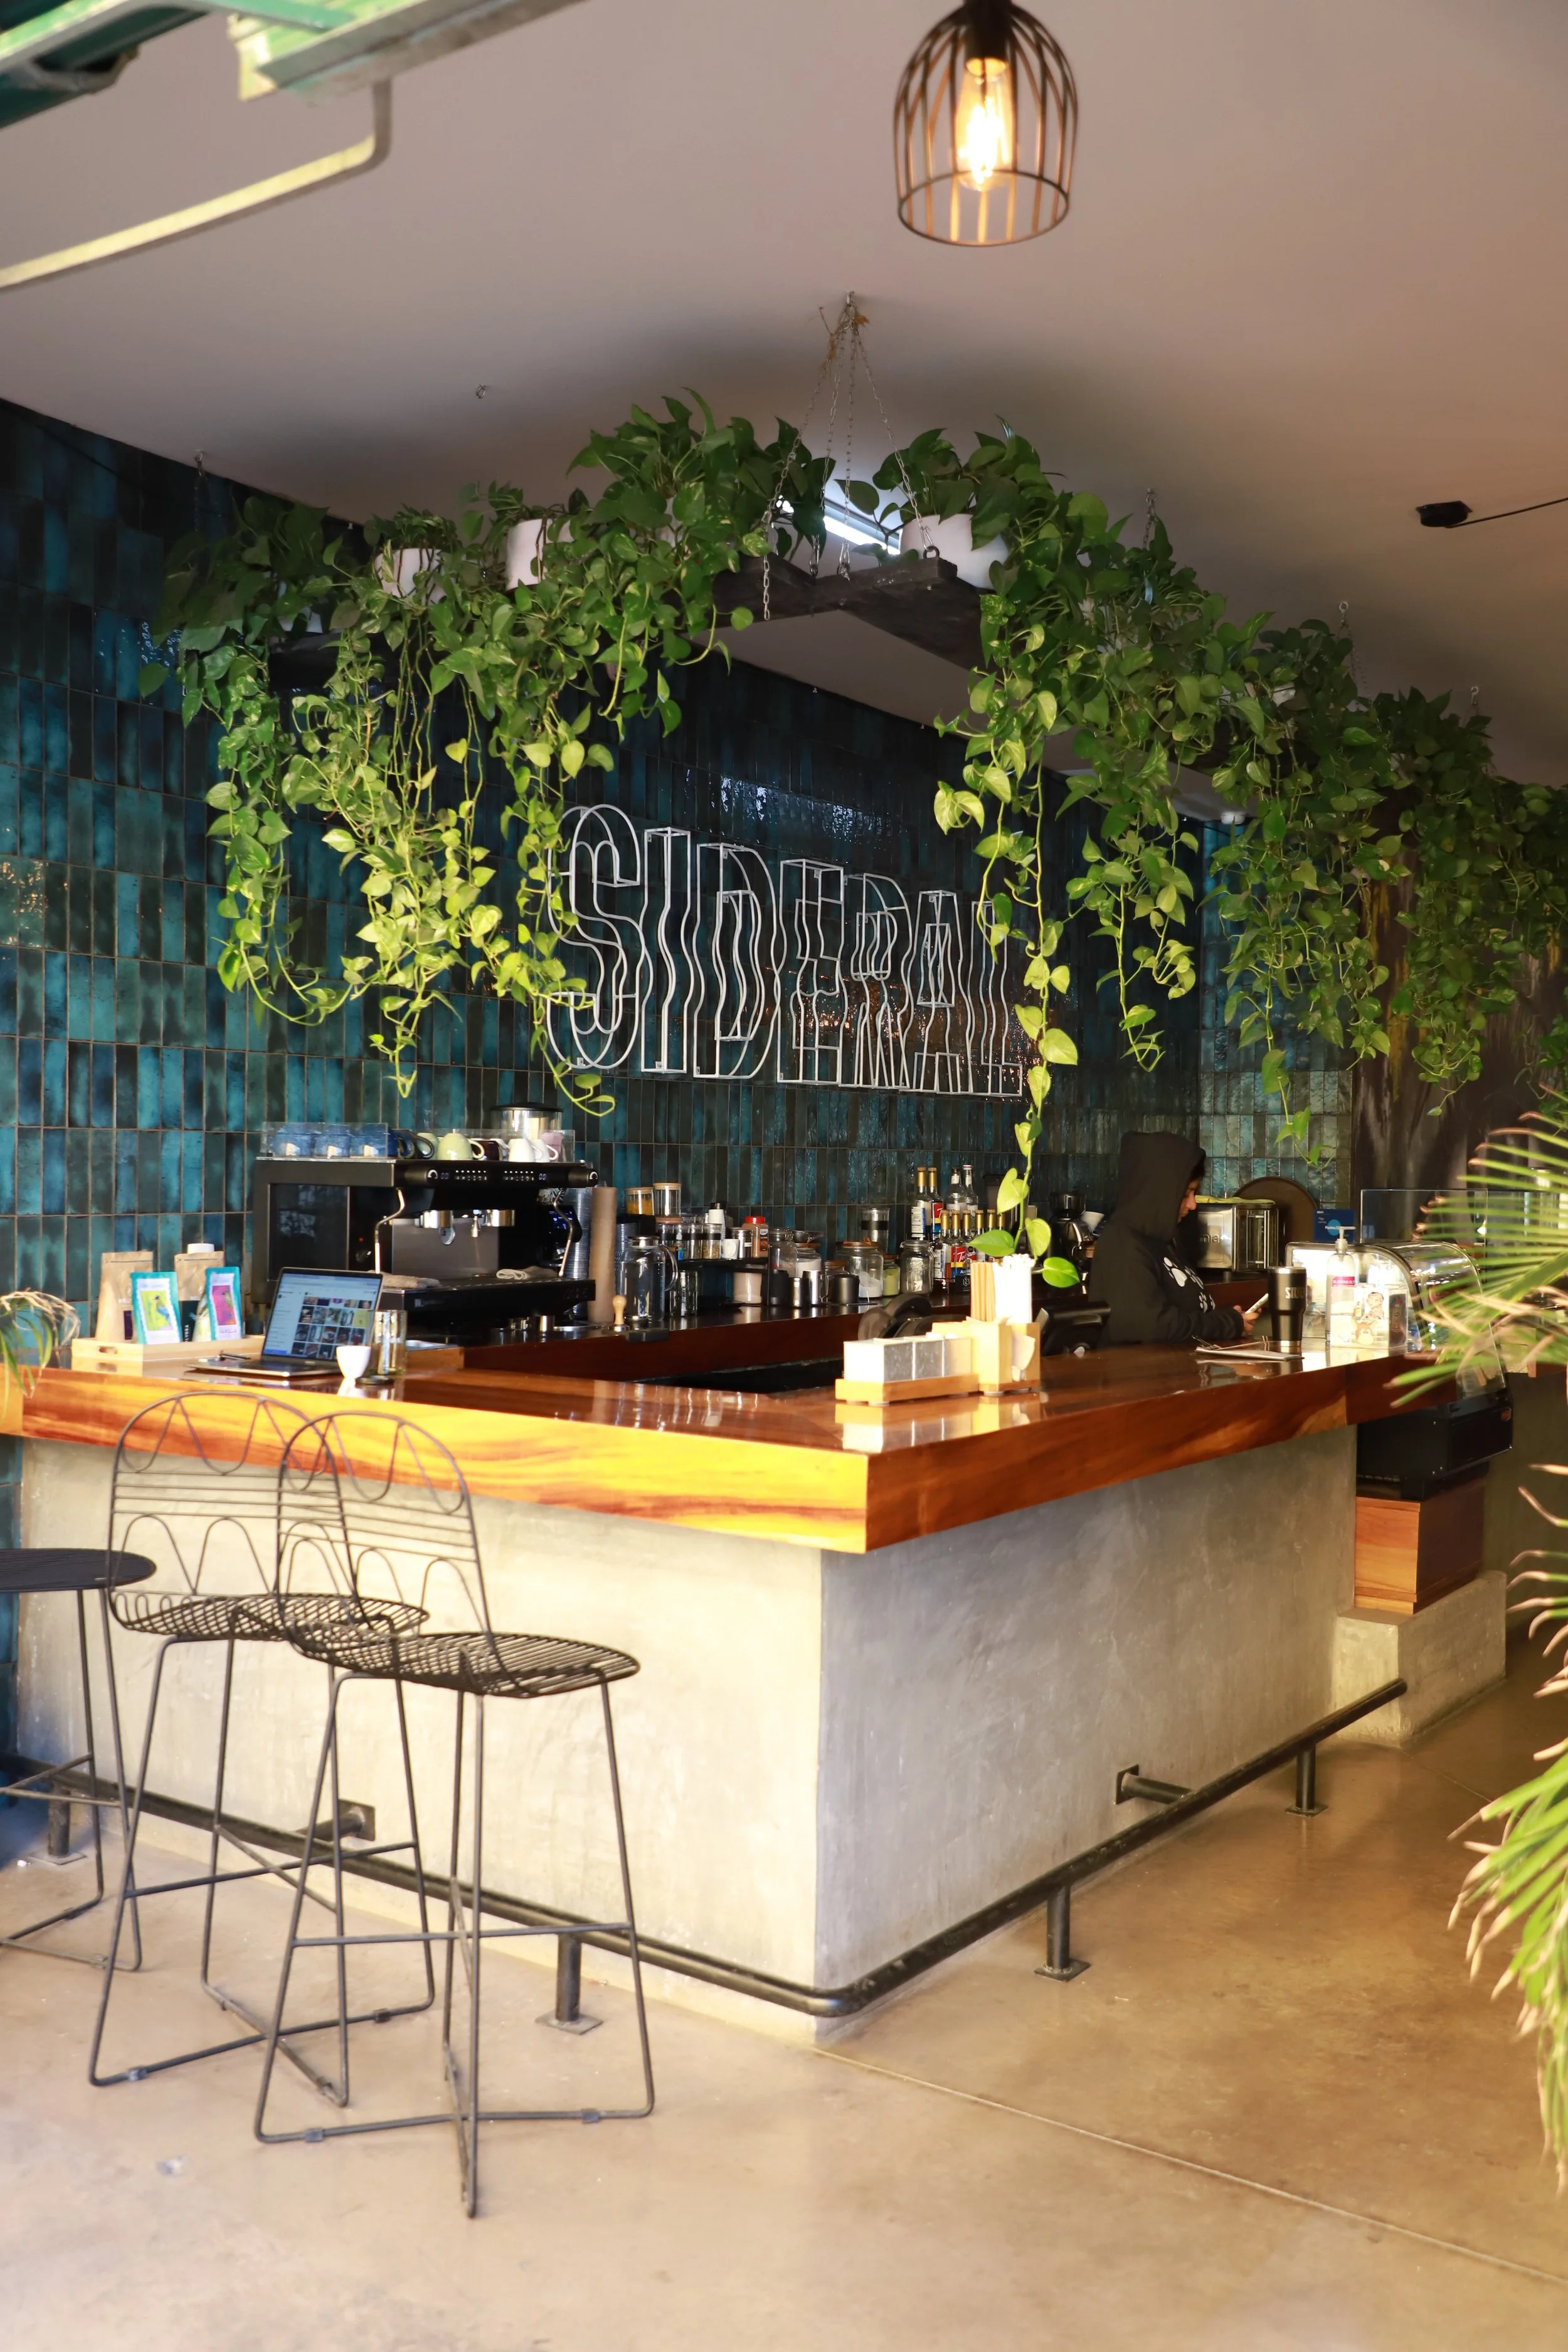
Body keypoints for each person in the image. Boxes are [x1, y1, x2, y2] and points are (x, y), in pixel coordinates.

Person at [1093, 1131, 1263, 1348]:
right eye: (1186, 1194)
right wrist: (1227, 1323)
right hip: (1140, 1379)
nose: (1193, 1204)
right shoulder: (1123, 1244)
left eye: (1195, 1193)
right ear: (1158, 1193)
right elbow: (1152, 1325)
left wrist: (1230, 1317)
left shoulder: (1165, 1240)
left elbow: (1186, 1316)